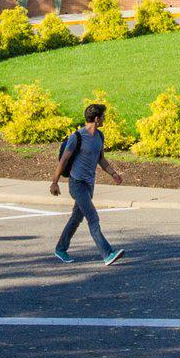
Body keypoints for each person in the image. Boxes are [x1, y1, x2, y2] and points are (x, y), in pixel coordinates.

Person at [49, 102, 123, 265]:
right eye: (103, 116)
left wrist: (113, 173)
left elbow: (100, 158)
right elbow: (64, 160)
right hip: (77, 184)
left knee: (76, 218)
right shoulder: (77, 137)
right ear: (97, 119)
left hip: (89, 184)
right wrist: (55, 182)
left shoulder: (99, 136)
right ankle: (108, 253)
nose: (104, 119)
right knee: (93, 218)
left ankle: (60, 248)